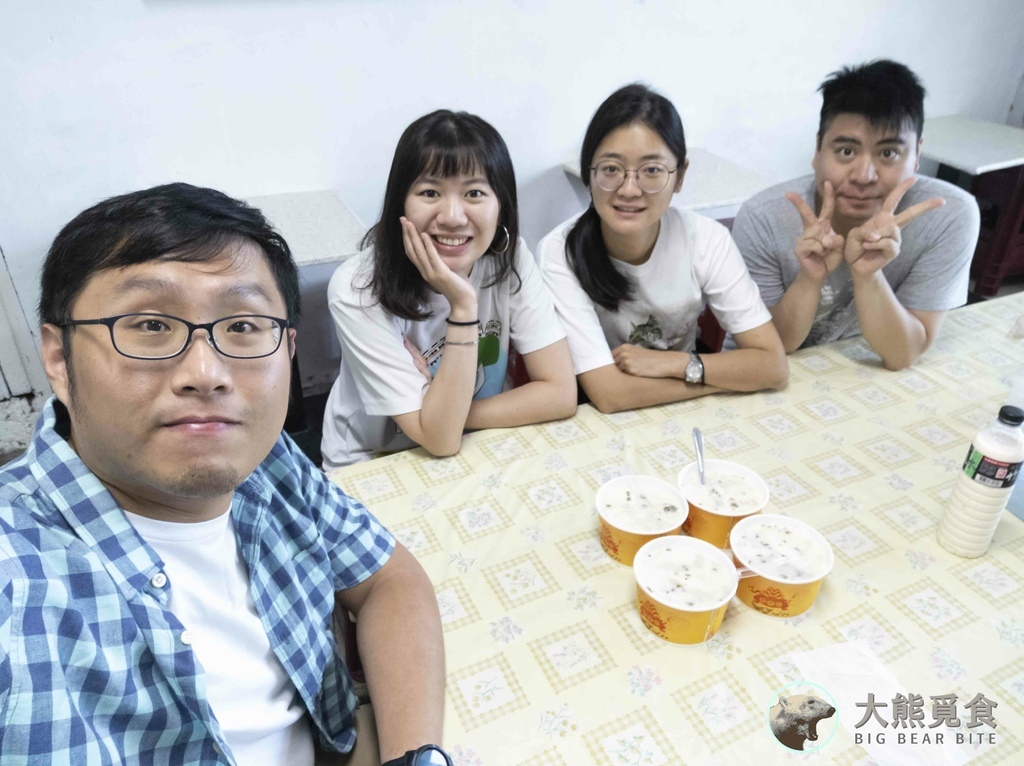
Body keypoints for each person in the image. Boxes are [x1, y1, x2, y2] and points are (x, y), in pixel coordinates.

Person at [0, 183, 449, 766]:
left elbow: (389, 578)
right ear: (59, 359)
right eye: (149, 325)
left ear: (288, 349)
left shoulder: (265, 459)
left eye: (242, 326)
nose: (206, 373)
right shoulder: (20, 581)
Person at [321, 110, 576, 469]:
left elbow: (560, 393)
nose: (453, 217)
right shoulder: (358, 288)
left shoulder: (510, 257)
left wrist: (447, 415)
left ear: (501, 206)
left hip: (476, 438)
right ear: (400, 202)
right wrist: (463, 306)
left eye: (474, 193)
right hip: (373, 457)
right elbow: (440, 441)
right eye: (430, 192)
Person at [537, 84, 788, 414]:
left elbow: (772, 366)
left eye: (652, 171)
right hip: (600, 418)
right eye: (611, 169)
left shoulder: (706, 239)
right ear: (588, 174)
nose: (629, 189)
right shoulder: (560, 252)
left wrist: (675, 364)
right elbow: (610, 395)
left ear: (679, 176)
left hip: (683, 408)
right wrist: (722, 379)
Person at [732, 59, 981, 370]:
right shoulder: (765, 218)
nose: (864, 176)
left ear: (917, 154)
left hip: (867, 369)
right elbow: (773, 348)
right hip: (777, 370)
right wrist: (809, 278)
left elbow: (902, 354)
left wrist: (868, 274)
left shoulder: (947, 216)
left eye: (888, 153)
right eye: (846, 151)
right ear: (818, 149)